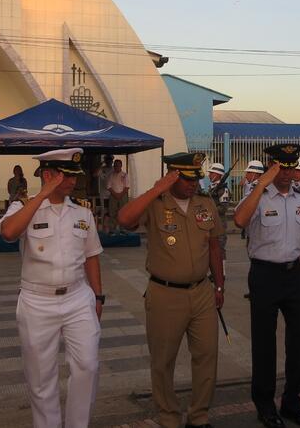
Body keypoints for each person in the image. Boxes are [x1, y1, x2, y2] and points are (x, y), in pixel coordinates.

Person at [117, 152, 226, 428]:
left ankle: (199, 416)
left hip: (202, 292)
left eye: (195, 179)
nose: (192, 185)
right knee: (163, 360)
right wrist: (157, 188)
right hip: (165, 294)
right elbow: (124, 219)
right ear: (173, 176)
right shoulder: (156, 204)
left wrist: (220, 284)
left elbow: (214, 246)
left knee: (207, 355)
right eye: (187, 179)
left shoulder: (204, 204)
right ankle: (169, 417)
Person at [0, 148, 105, 428]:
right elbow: (9, 233)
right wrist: (42, 196)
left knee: (88, 366)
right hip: (37, 301)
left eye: (74, 176)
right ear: (48, 175)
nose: (72, 182)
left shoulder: (82, 211)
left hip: (78, 297)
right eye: (65, 176)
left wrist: (98, 295)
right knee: (41, 378)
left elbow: (91, 255)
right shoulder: (23, 206)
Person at [233, 144, 300, 428]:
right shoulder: (255, 196)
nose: (286, 173)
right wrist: (261, 184)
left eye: (291, 167)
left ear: (296, 169)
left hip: (294, 276)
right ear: (272, 167)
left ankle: (293, 402)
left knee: (299, 342)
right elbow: (240, 220)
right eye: (280, 167)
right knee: (264, 343)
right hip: (264, 275)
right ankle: (265, 405)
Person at [242, 159, 265, 240]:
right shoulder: (251, 184)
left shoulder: (258, 186)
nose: (246, 175)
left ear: (255, 174)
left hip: (258, 225)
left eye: (248, 172)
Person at [106, 158, 129, 233]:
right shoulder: (111, 175)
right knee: (112, 213)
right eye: (115, 166)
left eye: (118, 166)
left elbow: (127, 187)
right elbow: (108, 187)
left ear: (121, 166)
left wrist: (120, 195)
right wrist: (115, 194)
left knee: (123, 213)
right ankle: (112, 230)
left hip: (123, 196)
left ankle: (123, 229)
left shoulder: (125, 175)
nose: (116, 167)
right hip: (113, 195)